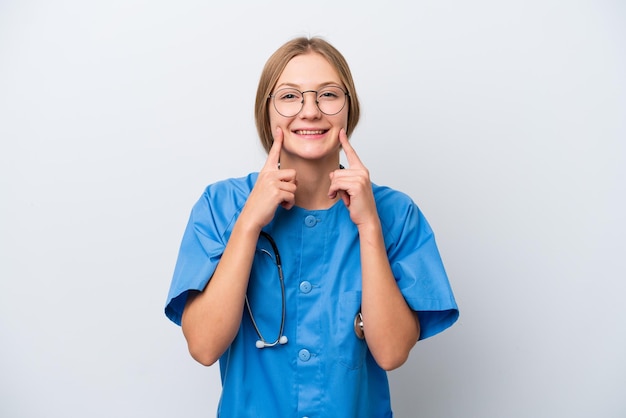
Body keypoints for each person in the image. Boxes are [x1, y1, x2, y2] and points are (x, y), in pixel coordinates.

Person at [165, 36, 459, 418]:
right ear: (266, 112)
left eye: (328, 95)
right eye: (289, 96)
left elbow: (391, 353)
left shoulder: (395, 214)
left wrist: (369, 228)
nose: (310, 111)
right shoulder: (221, 207)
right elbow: (203, 346)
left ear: (348, 109)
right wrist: (248, 223)